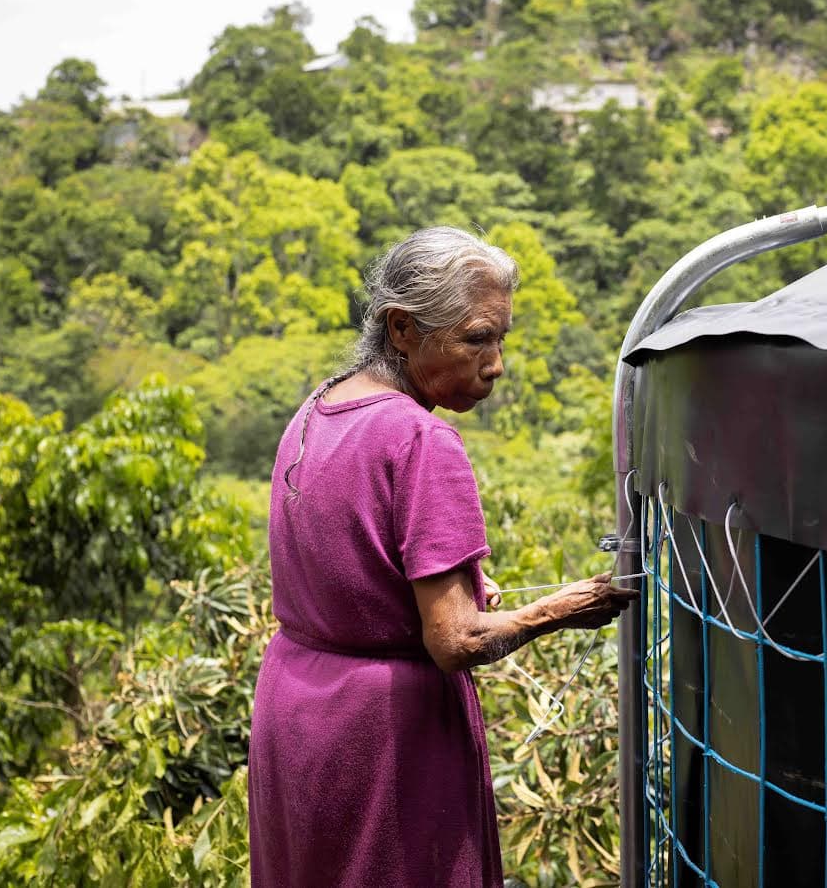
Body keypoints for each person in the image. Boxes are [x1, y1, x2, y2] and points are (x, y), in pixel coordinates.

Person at [248, 227, 638, 887]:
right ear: (402, 328)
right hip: (382, 734)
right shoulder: (422, 439)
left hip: (297, 711)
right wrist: (560, 610)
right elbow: (455, 640)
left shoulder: (320, 408)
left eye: (501, 339)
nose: (495, 363)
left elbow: (354, 571)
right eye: (476, 338)